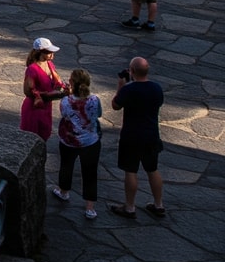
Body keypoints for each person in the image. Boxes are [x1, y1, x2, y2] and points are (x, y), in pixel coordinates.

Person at [110, 57, 166, 219]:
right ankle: (158, 204)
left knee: (131, 171)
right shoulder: (157, 88)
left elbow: (115, 105)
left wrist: (121, 86)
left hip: (132, 136)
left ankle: (130, 207)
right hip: (151, 135)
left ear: (132, 71)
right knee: (152, 169)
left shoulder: (129, 90)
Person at [53, 68, 102, 220]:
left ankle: (64, 191)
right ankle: (90, 207)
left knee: (66, 166)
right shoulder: (94, 100)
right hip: (91, 141)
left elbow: (64, 115)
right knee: (90, 173)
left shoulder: (66, 101)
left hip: (70, 140)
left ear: (72, 83)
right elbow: (99, 114)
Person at [21, 37, 69, 140]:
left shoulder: (50, 64)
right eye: (49, 52)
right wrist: (52, 95)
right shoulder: (32, 69)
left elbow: (57, 82)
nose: (52, 55)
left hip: (46, 107)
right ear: (40, 52)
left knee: (44, 135)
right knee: (32, 138)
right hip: (34, 109)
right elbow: (28, 92)